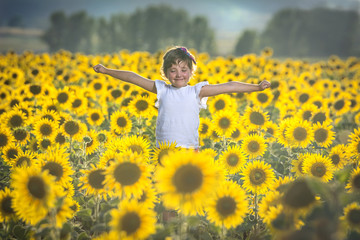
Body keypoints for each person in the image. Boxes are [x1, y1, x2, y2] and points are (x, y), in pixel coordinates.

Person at [93, 46, 271, 149]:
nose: (179, 75)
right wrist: (107, 71)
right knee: (167, 197)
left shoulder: (197, 91)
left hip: (189, 149)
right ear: (166, 73)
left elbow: (229, 86)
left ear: (191, 72)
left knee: (188, 195)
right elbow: (133, 78)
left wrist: (256, 87)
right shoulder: (162, 89)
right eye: (173, 70)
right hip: (165, 150)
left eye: (184, 70)